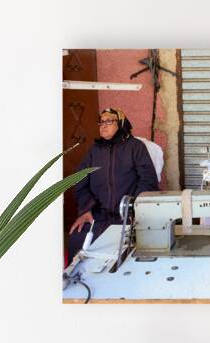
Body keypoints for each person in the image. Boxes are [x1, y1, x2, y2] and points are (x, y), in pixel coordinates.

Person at [67, 107, 160, 261]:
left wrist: (134, 208)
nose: (103, 125)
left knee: (130, 252)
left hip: (127, 215)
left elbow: (148, 181)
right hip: (98, 216)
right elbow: (80, 180)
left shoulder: (135, 147)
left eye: (109, 121)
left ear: (121, 123)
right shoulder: (95, 150)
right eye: (101, 122)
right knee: (77, 240)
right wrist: (86, 210)